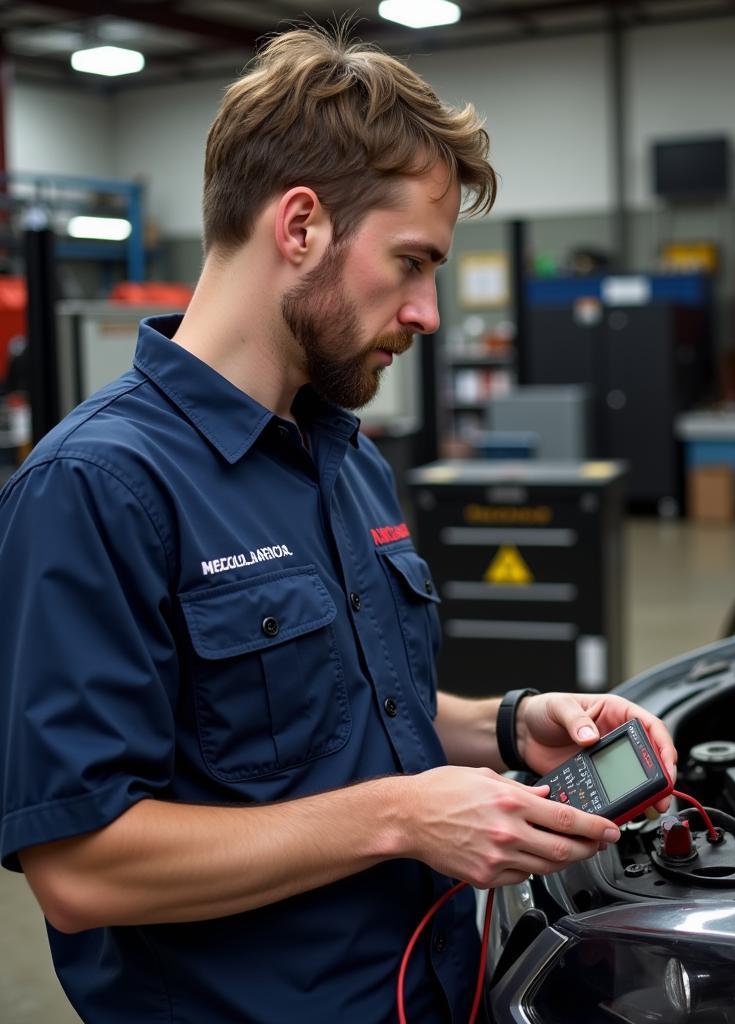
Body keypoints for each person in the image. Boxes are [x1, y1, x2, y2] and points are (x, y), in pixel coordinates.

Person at [0, 26, 678, 1024]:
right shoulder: (95, 488)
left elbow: (344, 702)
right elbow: (83, 867)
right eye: (410, 262)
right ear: (302, 225)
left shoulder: (346, 456)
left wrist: (505, 725)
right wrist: (404, 817)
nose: (428, 312)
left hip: (434, 988)